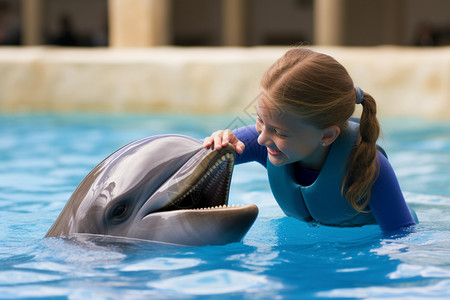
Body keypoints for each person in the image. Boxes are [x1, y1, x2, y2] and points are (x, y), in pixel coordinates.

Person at [203, 48, 417, 233]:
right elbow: (192, 161)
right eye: (259, 120)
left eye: (280, 132)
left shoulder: (367, 166)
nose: (260, 139)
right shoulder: (267, 143)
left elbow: (401, 238)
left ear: (326, 136)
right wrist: (217, 144)